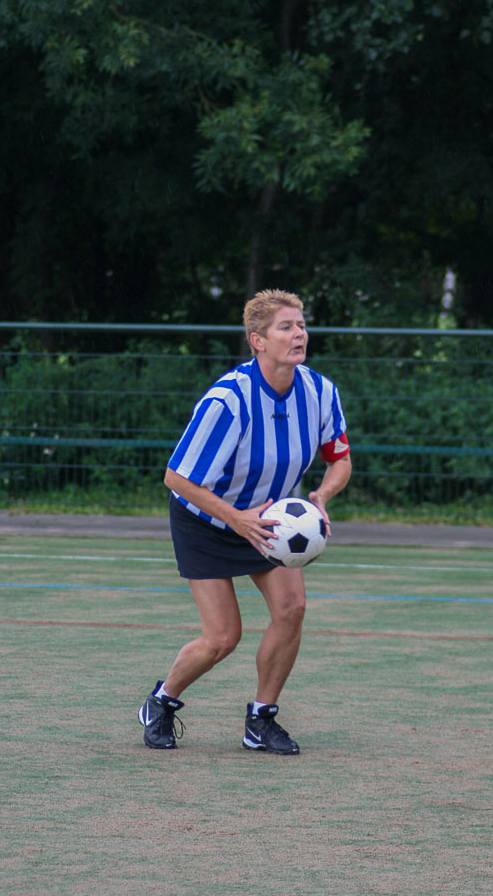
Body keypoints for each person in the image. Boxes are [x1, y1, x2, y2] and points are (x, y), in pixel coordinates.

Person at [138, 288, 352, 754]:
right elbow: (175, 477)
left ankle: (261, 719)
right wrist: (236, 519)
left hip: (271, 519)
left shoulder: (319, 392)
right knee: (222, 637)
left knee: (292, 611)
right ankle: (162, 700)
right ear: (257, 340)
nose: (299, 334)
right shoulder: (228, 400)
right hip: (208, 518)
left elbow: (340, 458)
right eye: (286, 327)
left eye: (301, 325)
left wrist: (321, 495)